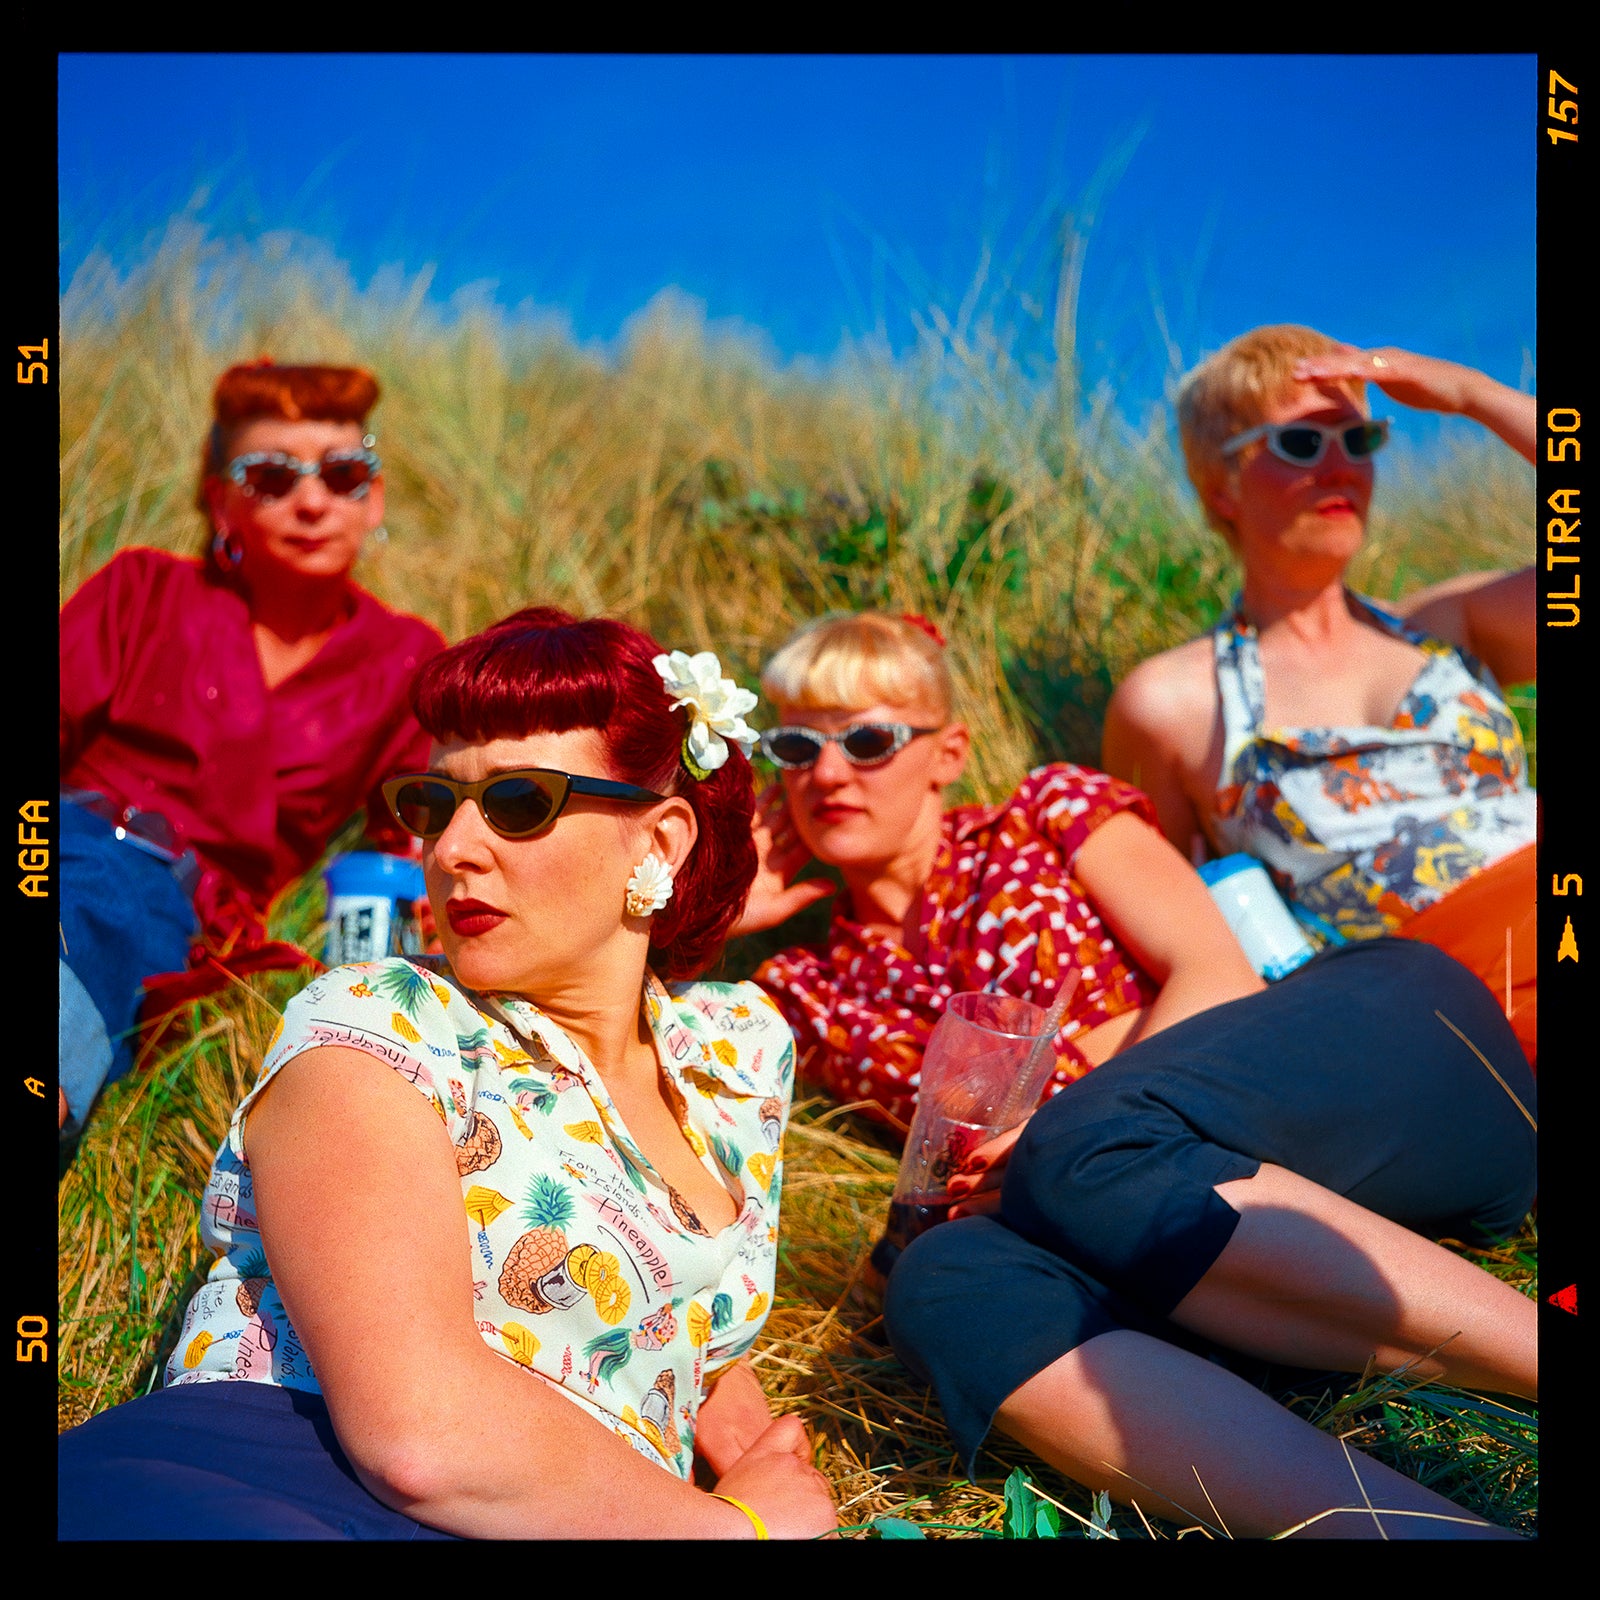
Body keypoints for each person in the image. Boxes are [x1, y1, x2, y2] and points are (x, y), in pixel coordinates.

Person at [58, 608, 837, 1541]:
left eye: (518, 801)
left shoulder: (735, 1052)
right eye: (434, 803)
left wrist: (769, 1468)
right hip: (268, 1477)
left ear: (660, 843)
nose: (452, 849)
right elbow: (419, 1436)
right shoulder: (376, 1018)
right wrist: (736, 1528)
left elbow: (687, 1324)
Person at [881, 935, 1537, 1538]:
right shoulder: (829, 976)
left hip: (1375, 1035)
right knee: (946, 1282)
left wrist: (1066, 1127)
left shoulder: (1036, 840)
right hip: (1179, 1211)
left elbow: (1216, 967)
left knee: (1082, 1149)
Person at [1100, 328, 1537, 1064]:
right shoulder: (1172, 705)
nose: (1340, 466)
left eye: (1358, 439)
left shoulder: (1450, 625)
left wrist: (1475, 396)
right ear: (1221, 486)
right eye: (1301, 443)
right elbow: (1163, 932)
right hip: (1434, 1023)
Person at [59, 360, 446, 1137]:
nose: (312, 501)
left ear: (373, 499)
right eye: (271, 476)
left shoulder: (404, 659)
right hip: (65, 838)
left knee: (115, 907)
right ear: (220, 502)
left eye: (343, 474)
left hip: (186, 917)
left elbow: (412, 837)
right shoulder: (145, 590)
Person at [741, 611, 1264, 1136]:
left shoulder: (1054, 817)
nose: (827, 774)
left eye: (868, 741)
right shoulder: (812, 994)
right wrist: (724, 909)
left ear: (949, 754)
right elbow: (694, 1076)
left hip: (1219, 1124)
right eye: (797, 747)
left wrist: (1071, 1138)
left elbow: (1221, 979)